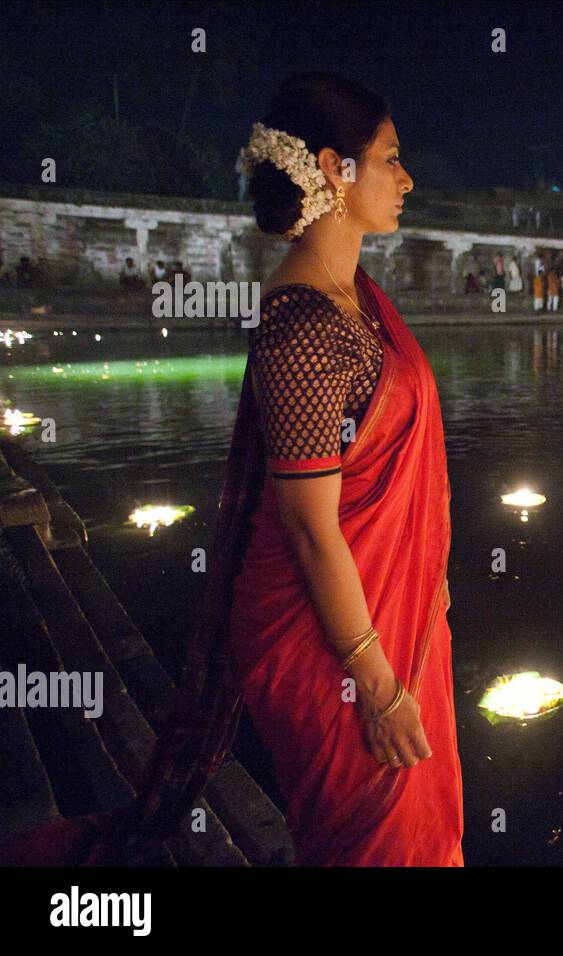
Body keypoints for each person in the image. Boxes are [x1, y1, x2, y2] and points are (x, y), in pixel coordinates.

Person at [0, 72, 463, 868]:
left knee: (419, 834)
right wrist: (377, 685)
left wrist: (424, 581)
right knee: (374, 844)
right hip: (335, 645)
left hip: (392, 615)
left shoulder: (354, 299)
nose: (407, 178)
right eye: (391, 158)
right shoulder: (305, 326)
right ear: (334, 169)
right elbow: (309, 527)